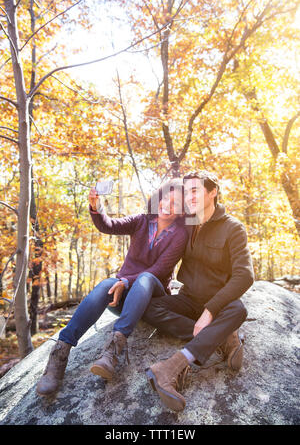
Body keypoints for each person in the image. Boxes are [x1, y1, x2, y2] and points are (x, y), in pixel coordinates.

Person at [36, 179, 188, 397]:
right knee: (106, 284)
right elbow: (108, 226)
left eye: (176, 203)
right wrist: (96, 207)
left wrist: (126, 281)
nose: (167, 205)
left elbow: (160, 270)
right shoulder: (142, 221)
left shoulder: (180, 235)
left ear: (183, 211)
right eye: (166, 198)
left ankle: (114, 350)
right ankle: (60, 353)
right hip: (125, 298)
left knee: (144, 278)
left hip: (153, 296)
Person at [143, 171, 254, 412]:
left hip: (217, 304)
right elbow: (154, 229)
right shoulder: (187, 223)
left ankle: (170, 367)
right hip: (187, 299)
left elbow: (245, 276)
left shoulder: (233, 228)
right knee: (148, 306)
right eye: (187, 191)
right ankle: (221, 338)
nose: (189, 196)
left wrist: (210, 311)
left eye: (195, 190)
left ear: (212, 192)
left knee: (238, 309)